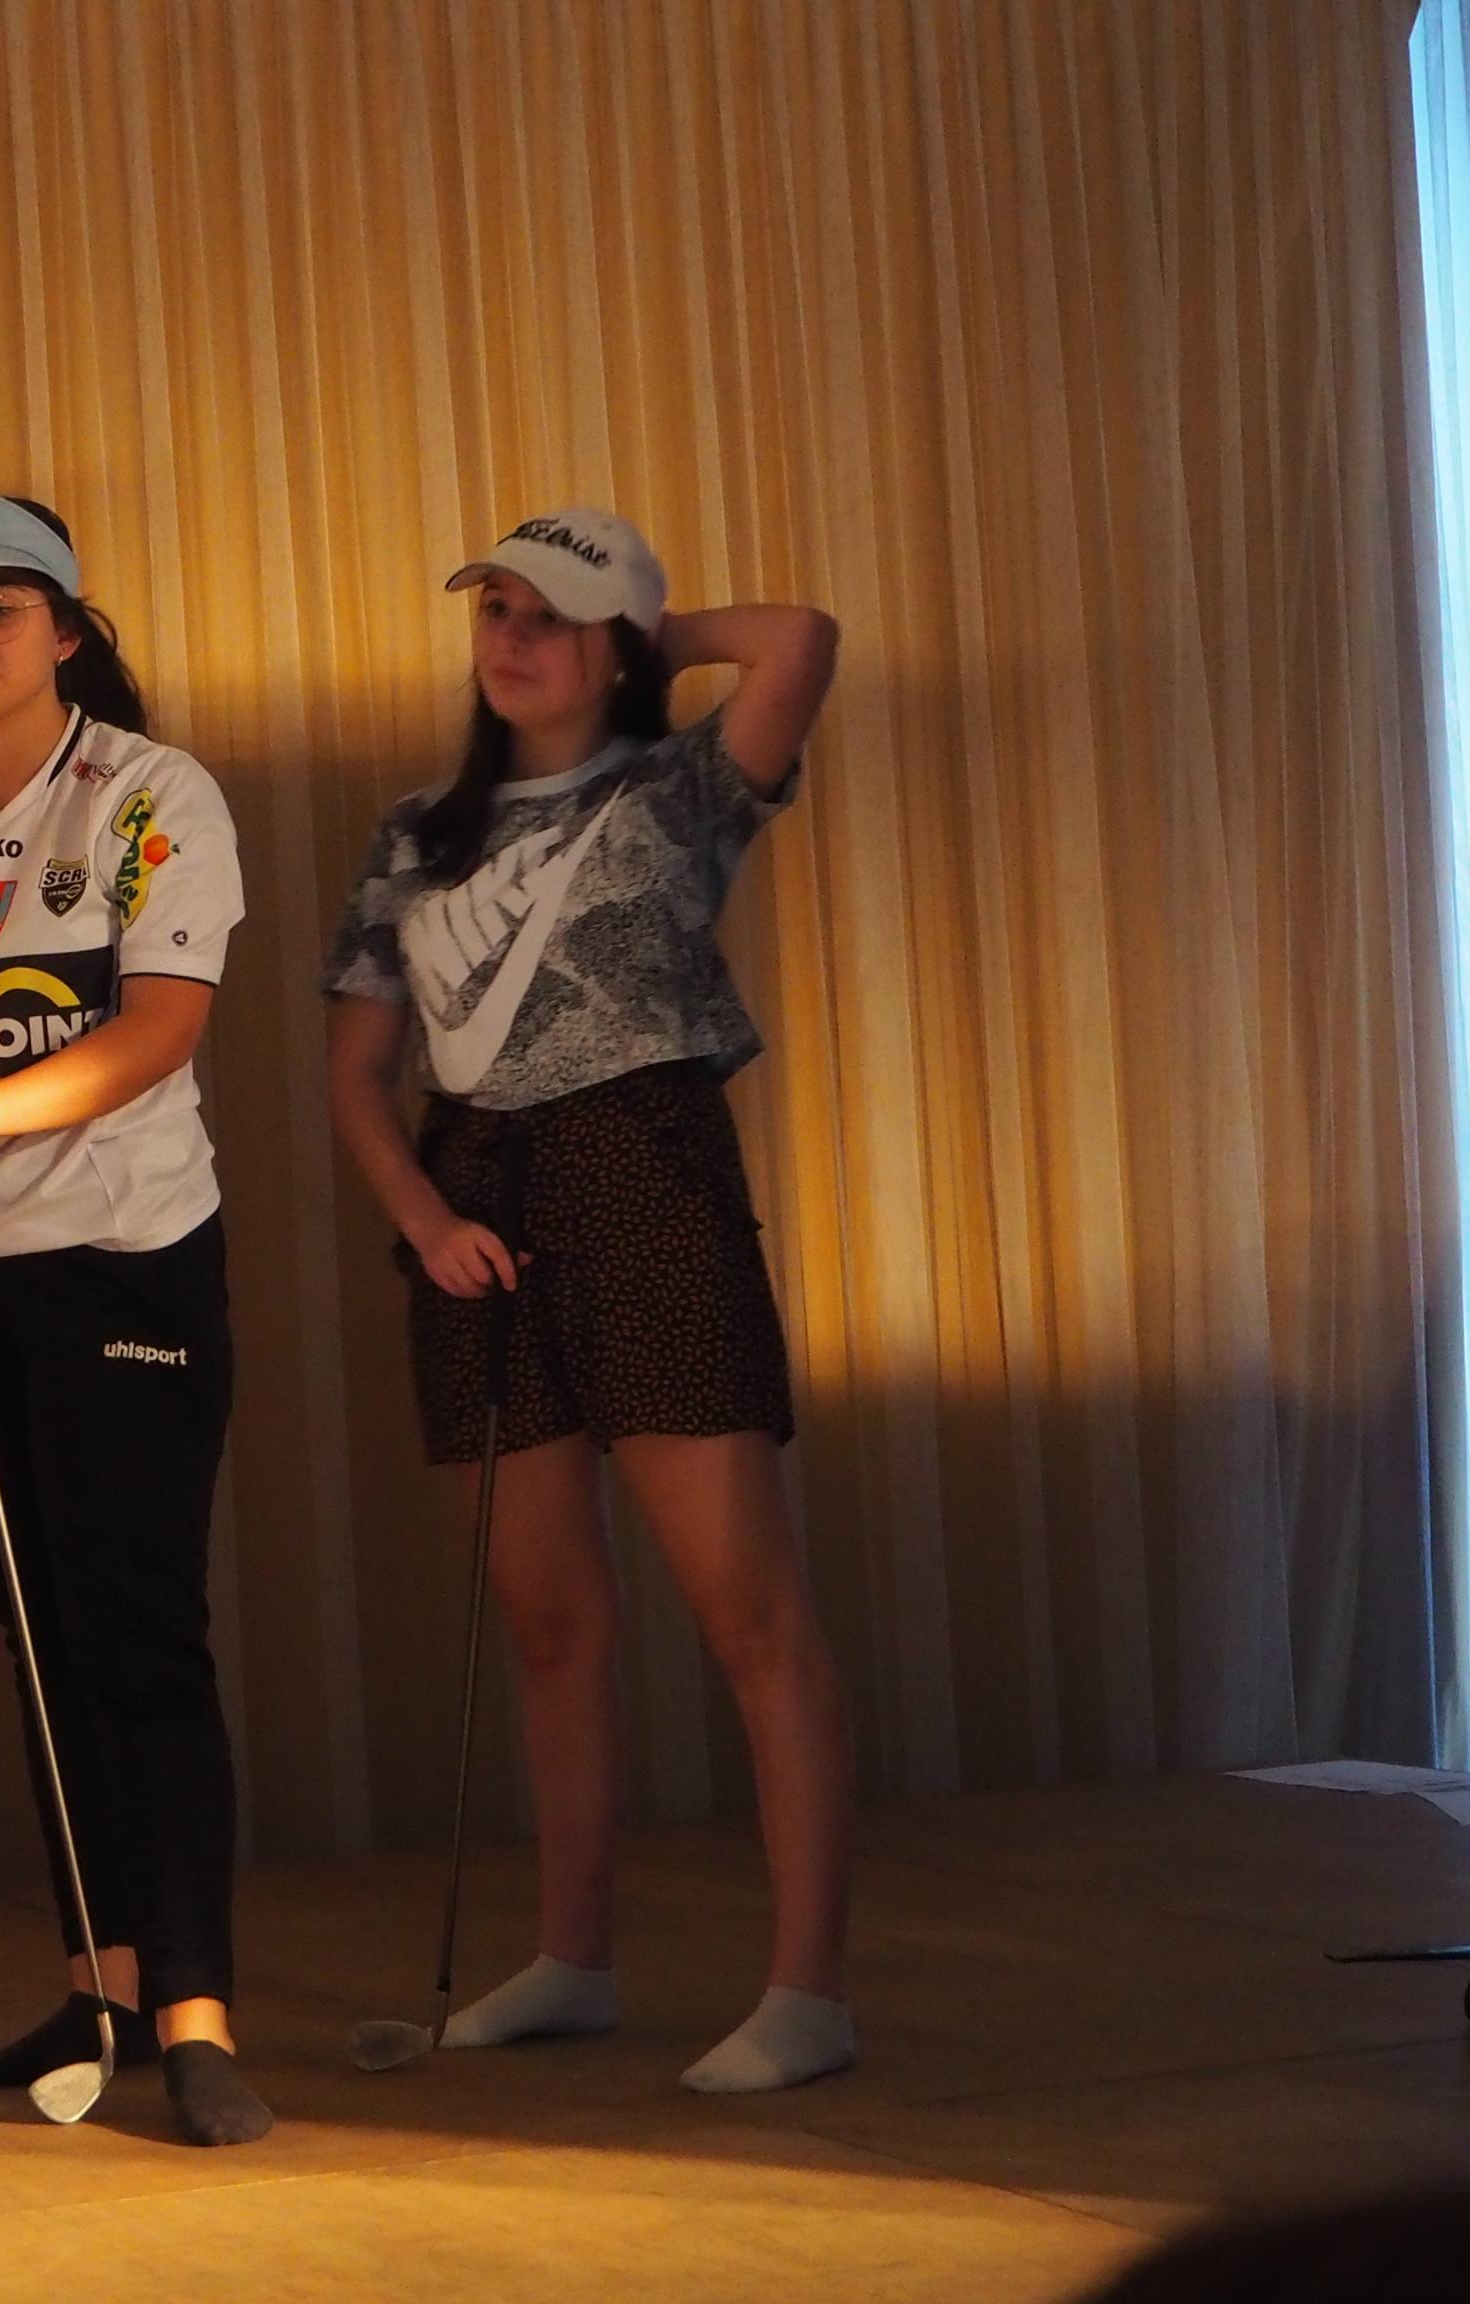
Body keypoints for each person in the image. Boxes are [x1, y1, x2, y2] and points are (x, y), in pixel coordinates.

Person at [321, 505, 852, 2093]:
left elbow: (800, 640)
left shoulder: (684, 783)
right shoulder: (417, 833)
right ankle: (573, 1957)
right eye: (494, 607)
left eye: (549, 613)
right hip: (471, 1195)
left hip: (645, 1172)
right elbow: (357, 1068)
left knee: (746, 1606)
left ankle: (809, 1990)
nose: (510, 636)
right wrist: (424, 1221)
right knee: (548, 1613)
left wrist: (650, 642)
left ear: (615, 644)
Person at [0, 493, 268, 2147]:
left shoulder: (155, 797)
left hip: (125, 1257)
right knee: (39, 1628)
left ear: (67, 631)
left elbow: (160, 1026)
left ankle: (199, 2013)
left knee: (137, 1627)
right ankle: (101, 1989)